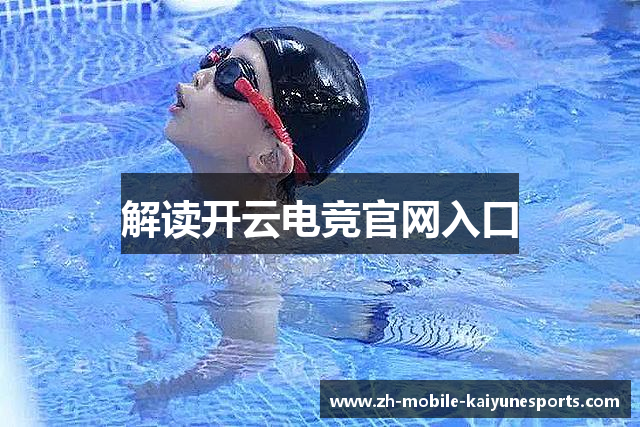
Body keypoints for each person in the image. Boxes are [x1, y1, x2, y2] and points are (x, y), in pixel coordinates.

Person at [132, 27, 491, 413]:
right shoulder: (199, 203)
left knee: (510, 363)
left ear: (271, 158)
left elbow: (252, 351)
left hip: (402, 318)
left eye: (232, 77)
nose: (203, 75)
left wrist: (165, 390)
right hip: (391, 273)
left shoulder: (247, 250)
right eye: (215, 60)